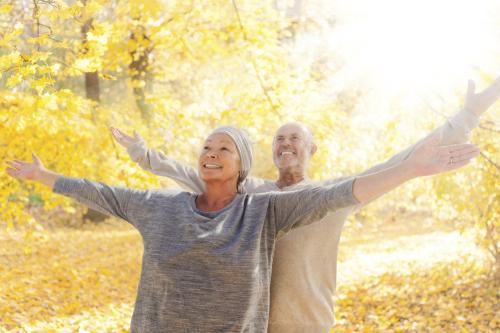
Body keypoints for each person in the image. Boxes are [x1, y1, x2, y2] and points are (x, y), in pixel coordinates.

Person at [110, 78, 499, 332]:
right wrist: (144, 155)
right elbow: (195, 173)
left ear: (311, 149)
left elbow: (403, 160)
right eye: (279, 139)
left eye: (295, 138)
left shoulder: (335, 195)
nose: (285, 144)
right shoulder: (251, 194)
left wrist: (467, 115)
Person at [6, 125, 478, 332]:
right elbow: (103, 193)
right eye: (207, 146)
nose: (210, 151)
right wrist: (44, 177)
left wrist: (411, 169)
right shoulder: (159, 207)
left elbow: (340, 193)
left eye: (224, 148)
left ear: (242, 166)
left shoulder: (265, 211)